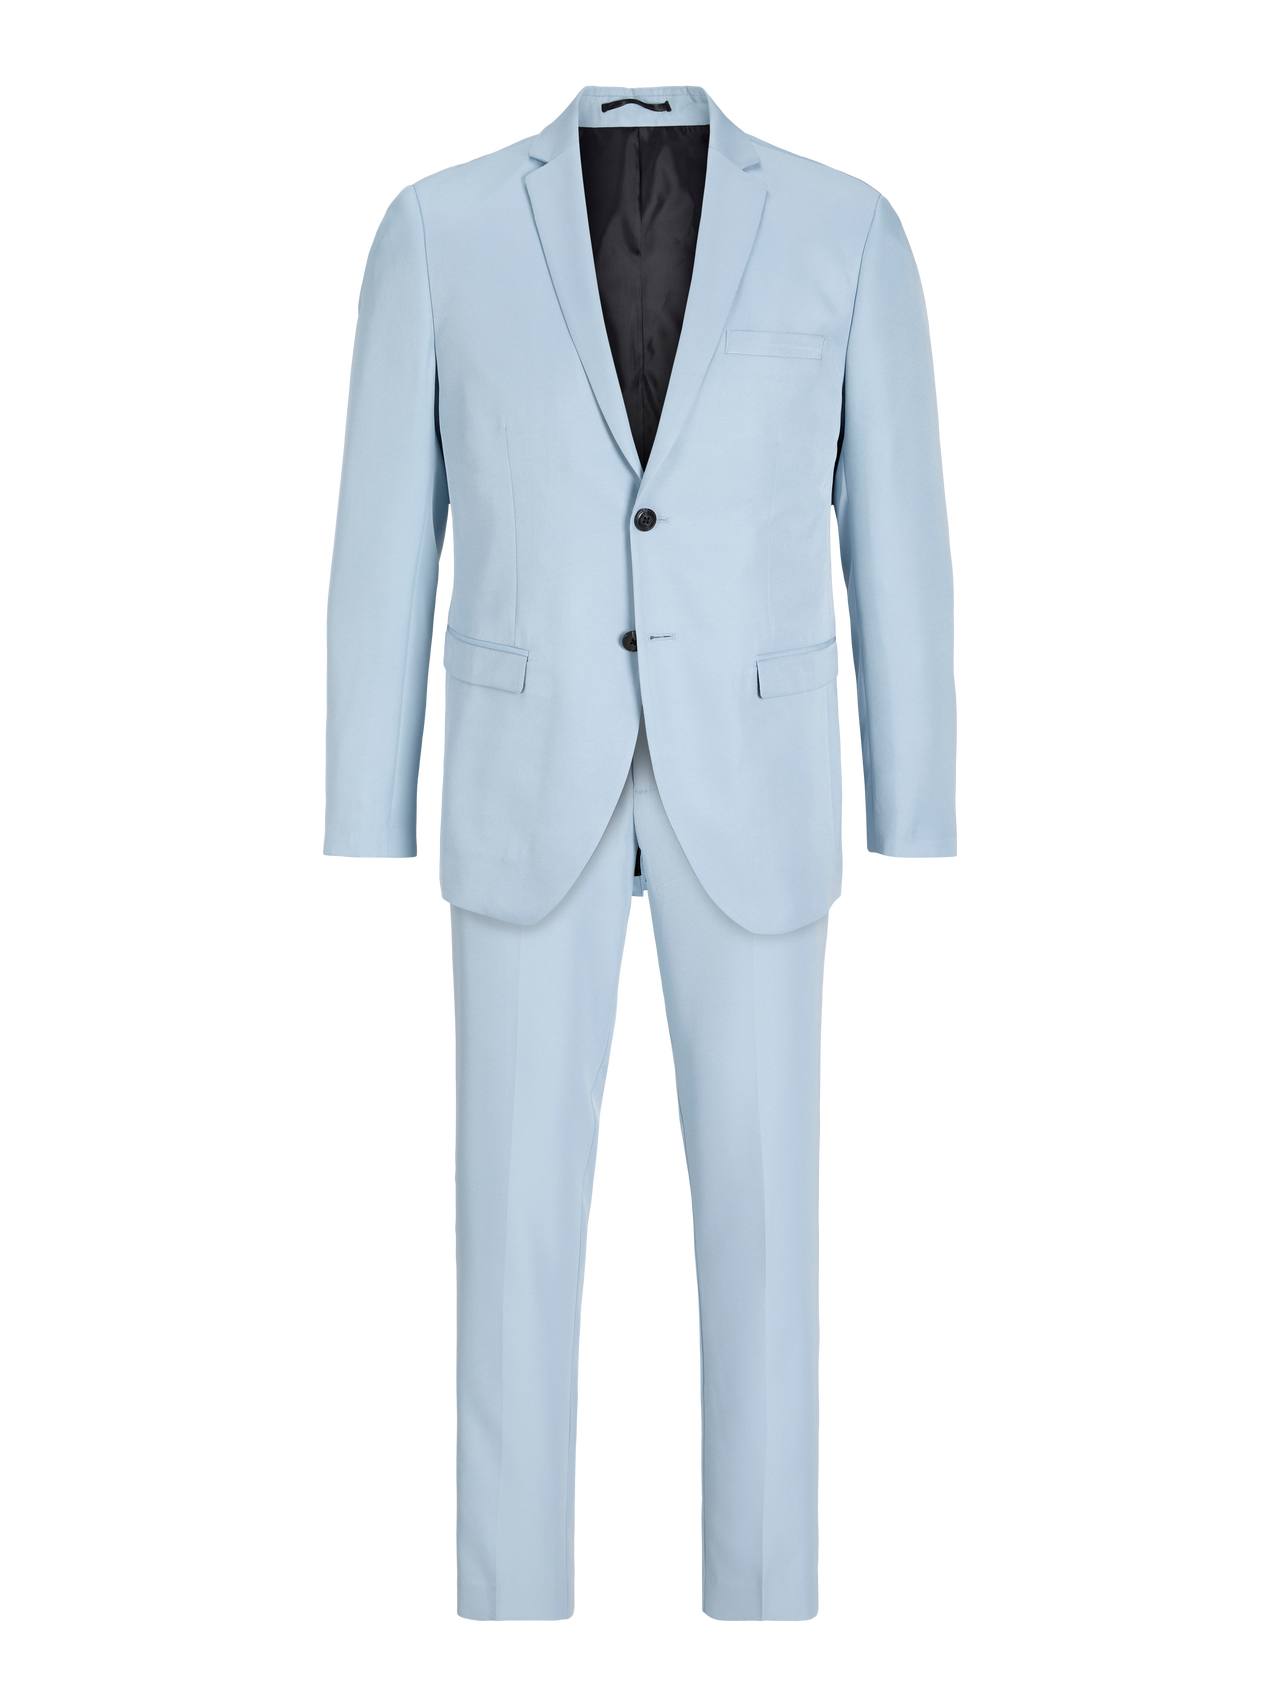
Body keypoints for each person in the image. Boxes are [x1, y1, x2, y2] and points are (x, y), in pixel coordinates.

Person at [322, 82, 957, 1623]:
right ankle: (510, 1591)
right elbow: (384, 529)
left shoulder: (847, 228)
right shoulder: (436, 228)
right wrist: (364, 799)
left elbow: (898, 525)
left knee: (764, 1214)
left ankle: (766, 1587)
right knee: (512, 1219)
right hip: (526, 766)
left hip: (755, 769)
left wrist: (916, 798)